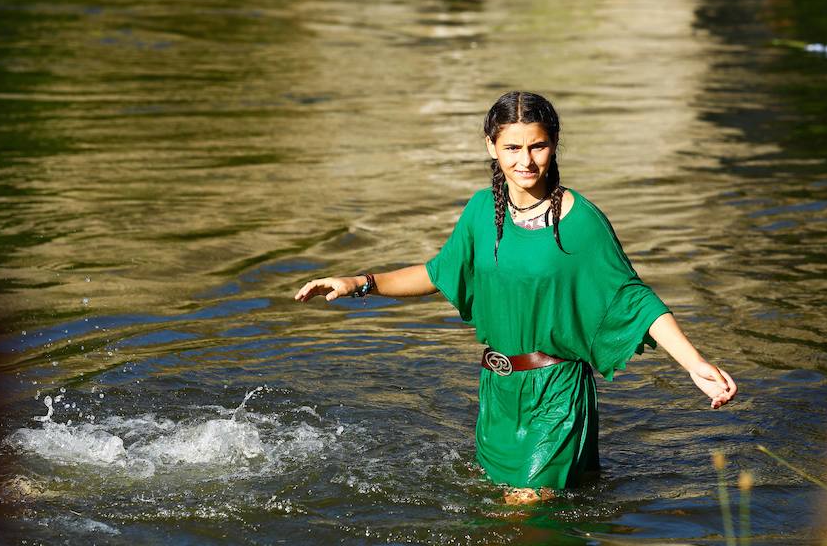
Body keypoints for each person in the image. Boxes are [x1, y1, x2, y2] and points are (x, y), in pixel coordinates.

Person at [294, 91, 737, 504]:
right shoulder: (480, 212)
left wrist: (695, 365)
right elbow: (438, 273)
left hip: (557, 393)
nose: (525, 160)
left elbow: (633, 299)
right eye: (512, 148)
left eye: (537, 146)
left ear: (554, 145)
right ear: (491, 147)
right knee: (510, 510)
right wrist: (358, 283)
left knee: (521, 515)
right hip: (498, 392)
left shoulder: (581, 222)